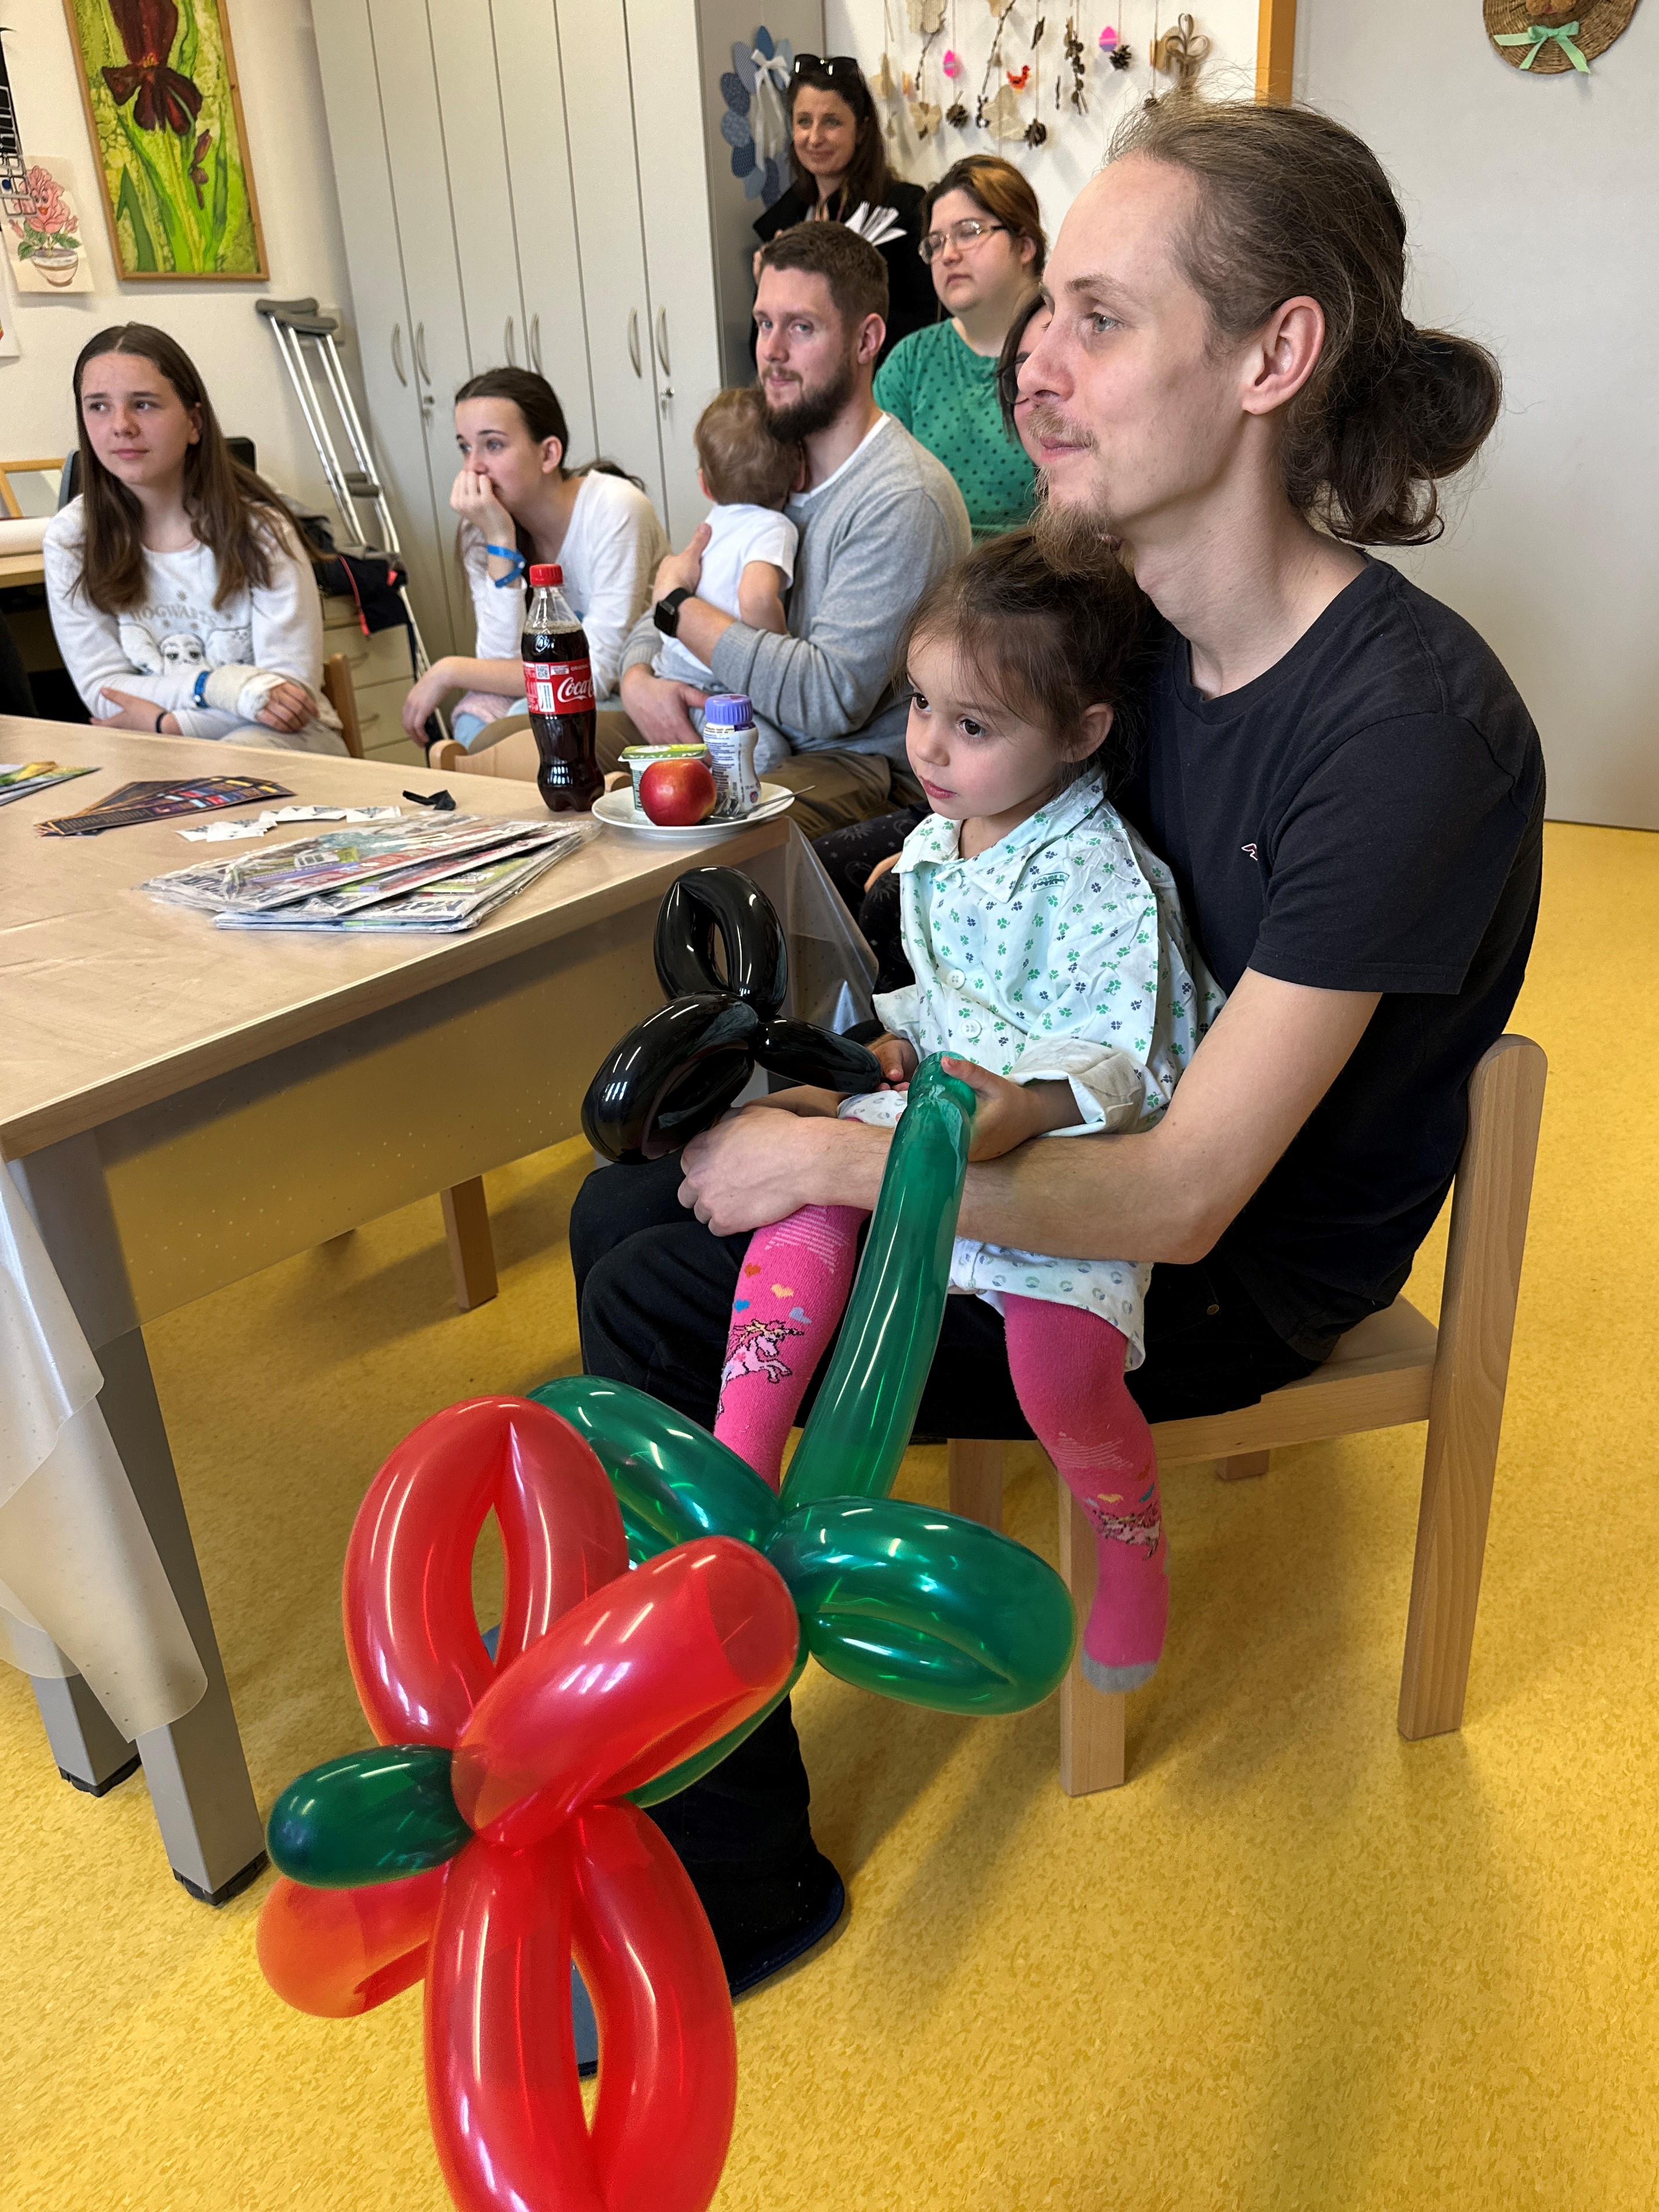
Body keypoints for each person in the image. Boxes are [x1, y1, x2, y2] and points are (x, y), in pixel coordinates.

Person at [574, 94, 1543, 1988]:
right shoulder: (1134, 625)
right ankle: (682, 1669)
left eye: (1098, 318)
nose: (1033, 366)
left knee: (660, 1277)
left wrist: (837, 1154)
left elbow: (1185, 1199)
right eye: (1046, 319)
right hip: (1051, 1130)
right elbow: (978, 821)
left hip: (1214, 1267)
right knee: (650, 1183)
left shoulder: (1404, 730)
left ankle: (732, 1873)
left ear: (1271, 356)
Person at [712, 531, 1220, 1693]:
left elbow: (1129, 1052)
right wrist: (894, 1032)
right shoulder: (937, 836)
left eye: (974, 725)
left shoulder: (1102, 873)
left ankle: (1128, 1538)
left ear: (1080, 732)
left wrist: (1031, 1102)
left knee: (1061, 1365)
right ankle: (738, 1486)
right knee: (798, 1214)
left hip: (1061, 1147)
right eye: (921, 704)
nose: (929, 745)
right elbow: (954, 992)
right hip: (939, 1110)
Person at [618, 221, 971, 839]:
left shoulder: (902, 497)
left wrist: (677, 610)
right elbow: (683, 594)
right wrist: (639, 681)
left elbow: (827, 699)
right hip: (727, 718)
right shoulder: (765, 461)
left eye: (800, 327)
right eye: (764, 323)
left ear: (866, 340)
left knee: (713, 841)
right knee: (531, 747)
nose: (771, 351)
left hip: (851, 762)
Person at [44, 324, 346, 753]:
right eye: (98, 406)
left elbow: (285, 699)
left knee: (228, 766)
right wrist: (218, 686)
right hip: (162, 750)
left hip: (284, 742)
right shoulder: (71, 538)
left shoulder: (260, 528)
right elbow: (104, 691)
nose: (121, 426)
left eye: (143, 404)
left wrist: (169, 724)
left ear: (194, 422)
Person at [400, 368, 667, 749]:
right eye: (465, 447)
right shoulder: (482, 528)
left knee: (517, 731)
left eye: (493, 445)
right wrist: (499, 541)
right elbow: (499, 661)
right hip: (551, 691)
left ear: (548, 454)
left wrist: (450, 671)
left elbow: (593, 676)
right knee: (475, 722)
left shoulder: (616, 507)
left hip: (634, 692)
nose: (473, 467)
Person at [875, 155, 1045, 542]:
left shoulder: (1069, 349)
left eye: (968, 232)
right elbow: (876, 490)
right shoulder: (911, 360)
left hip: (1046, 571)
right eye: (935, 243)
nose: (947, 255)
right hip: (931, 566)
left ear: (1025, 245)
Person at [753, 56, 935, 362]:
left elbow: (926, 330)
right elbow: (758, 347)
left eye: (832, 122)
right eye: (804, 121)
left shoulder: (905, 209)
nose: (814, 138)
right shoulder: (784, 221)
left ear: (861, 130)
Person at [652, 387, 800, 690]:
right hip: (711, 672)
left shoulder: (713, 522)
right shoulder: (775, 527)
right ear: (799, 476)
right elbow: (756, 598)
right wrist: (782, 649)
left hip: (675, 655)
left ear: (705, 487)